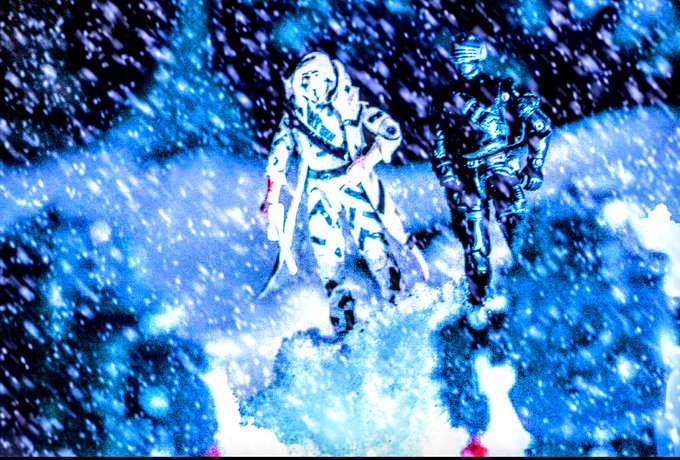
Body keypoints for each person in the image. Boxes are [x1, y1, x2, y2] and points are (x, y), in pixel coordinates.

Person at [259, 51, 422, 336]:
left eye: (317, 77)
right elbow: (279, 154)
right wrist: (271, 197)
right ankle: (343, 319)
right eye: (305, 78)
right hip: (317, 188)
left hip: (351, 181)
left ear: (331, 79)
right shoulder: (294, 117)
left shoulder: (351, 106)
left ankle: (397, 298)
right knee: (327, 256)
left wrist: (368, 160)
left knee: (373, 243)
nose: (311, 84)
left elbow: (391, 131)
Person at [428, 32, 552, 332]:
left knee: (517, 231)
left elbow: (539, 124)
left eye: (467, 56)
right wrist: (447, 172)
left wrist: (534, 166)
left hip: (499, 165)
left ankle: (536, 290)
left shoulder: (500, 89)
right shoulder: (448, 98)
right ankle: (478, 306)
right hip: (466, 174)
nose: (463, 63)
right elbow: (440, 140)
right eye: (459, 57)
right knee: (475, 247)